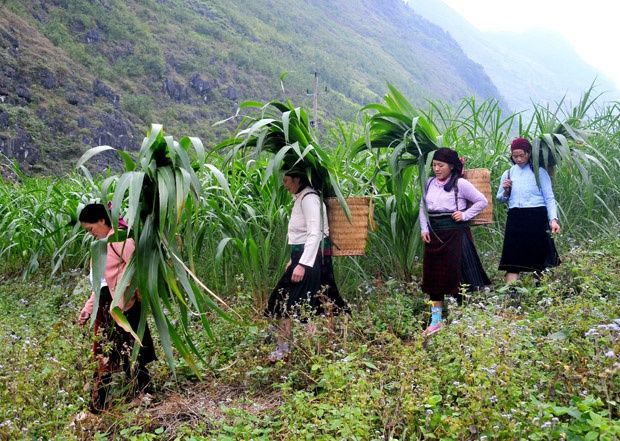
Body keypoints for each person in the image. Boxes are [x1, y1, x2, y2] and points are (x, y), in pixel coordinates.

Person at [78, 203, 156, 413]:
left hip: (124, 306)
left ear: (102, 221)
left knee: (131, 350)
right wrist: (88, 308)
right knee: (107, 352)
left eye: (91, 229)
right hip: (106, 307)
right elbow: (100, 284)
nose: (91, 234)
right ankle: (99, 404)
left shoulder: (120, 240)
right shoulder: (101, 245)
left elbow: (140, 268)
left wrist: (131, 295)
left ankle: (142, 395)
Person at [264, 170, 349, 362]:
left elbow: (315, 233)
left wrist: (301, 264)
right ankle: (294, 351)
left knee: (288, 304)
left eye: (286, 180)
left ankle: (297, 352)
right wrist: (294, 261)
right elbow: (301, 235)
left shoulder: (310, 198)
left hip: (310, 260)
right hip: (305, 258)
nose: (284, 184)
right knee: (299, 305)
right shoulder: (302, 197)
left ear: (298, 178)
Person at [419, 148, 491, 336]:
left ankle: (462, 318)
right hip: (434, 235)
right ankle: (436, 321)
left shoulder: (461, 184)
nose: (436, 169)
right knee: (434, 278)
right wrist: (424, 228)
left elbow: (481, 201)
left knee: (457, 276)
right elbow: (422, 206)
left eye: (440, 165)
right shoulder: (429, 184)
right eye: (434, 165)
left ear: (451, 166)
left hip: (455, 234)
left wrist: (465, 215)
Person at [496, 137, 561, 285]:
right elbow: (500, 198)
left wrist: (553, 220)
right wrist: (506, 191)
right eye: (515, 156)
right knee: (512, 259)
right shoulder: (508, 173)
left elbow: (549, 198)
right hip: (515, 218)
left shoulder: (540, 173)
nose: (518, 159)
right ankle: (510, 295)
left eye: (522, 155)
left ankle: (540, 292)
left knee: (539, 258)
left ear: (529, 153)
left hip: (536, 217)